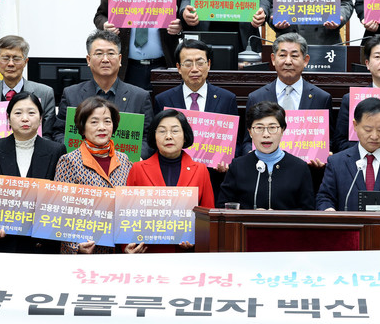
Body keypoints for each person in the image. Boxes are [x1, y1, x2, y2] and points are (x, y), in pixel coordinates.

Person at [0, 92, 65, 253]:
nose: (25, 118)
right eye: (18, 113)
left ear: (41, 118)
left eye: (31, 113)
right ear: (8, 119)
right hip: (3, 242)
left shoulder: (56, 150)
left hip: (41, 243)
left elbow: (60, 198)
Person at [153, 39, 239, 193]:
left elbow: (236, 142)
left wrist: (227, 161)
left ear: (209, 64)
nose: (194, 69)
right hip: (175, 177)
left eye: (200, 63)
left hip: (214, 178)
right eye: (188, 63)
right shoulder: (164, 100)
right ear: (178, 68)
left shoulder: (227, 99)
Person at [53, 30, 154, 159]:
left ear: (120, 59)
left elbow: (149, 138)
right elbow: (59, 132)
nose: (105, 59)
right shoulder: (71, 94)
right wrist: (75, 156)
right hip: (82, 165)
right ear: (88, 60)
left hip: (126, 167)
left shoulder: (140, 97)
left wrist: (133, 159)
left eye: (111, 53)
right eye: (99, 54)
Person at [125, 109, 214, 252]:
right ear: (154, 136)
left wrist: (196, 241)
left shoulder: (200, 170)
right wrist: (127, 247)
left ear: (185, 136)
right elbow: (127, 213)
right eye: (162, 131)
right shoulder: (138, 169)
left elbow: (208, 216)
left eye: (175, 131)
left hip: (186, 255)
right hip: (148, 253)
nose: (168, 136)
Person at [54, 97, 133, 254]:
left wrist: (129, 243)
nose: (102, 127)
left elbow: (130, 206)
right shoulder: (69, 161)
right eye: (94, 122)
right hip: (86, 251)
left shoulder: (124, 160)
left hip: (119, 251)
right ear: (82, 127)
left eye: (107, 121)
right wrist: (76, 246)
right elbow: (59, 210)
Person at [317, 98, 380, 211]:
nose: (374, 136)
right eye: (368, 129)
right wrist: (328, 209)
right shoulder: (337, 162)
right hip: (350, 222)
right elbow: (325, 197)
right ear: (355, 125)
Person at [243, 33, 332, 159]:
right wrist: (249, 153)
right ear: (273, 59)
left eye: (294, 56)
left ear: (305, 60)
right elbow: (247, 140)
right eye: (283, 55)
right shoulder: (256, 97)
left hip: (306, 167)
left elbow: (329, 139)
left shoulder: (321, 98)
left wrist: (324, 155)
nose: (288, 61)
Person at [218, 101, 315, 210]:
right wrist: (251, 215)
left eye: (272, 127)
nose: (266, 134)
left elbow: (308, 211)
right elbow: (223, 207)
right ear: (250, 132)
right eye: (259, 128)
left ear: (282, 130)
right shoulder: (237, 166)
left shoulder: (299, 168)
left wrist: (279, 217)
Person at [333, 34, 380, 155]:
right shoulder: (351, 100)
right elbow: (340, 143)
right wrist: (368, 148)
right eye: (377, 57)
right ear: (367, 64)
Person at [0, 35, 57, 140]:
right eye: (5, 58)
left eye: (16, 59)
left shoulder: (45, 93)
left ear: (25, 62)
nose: (11, 64)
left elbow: (47, 135)